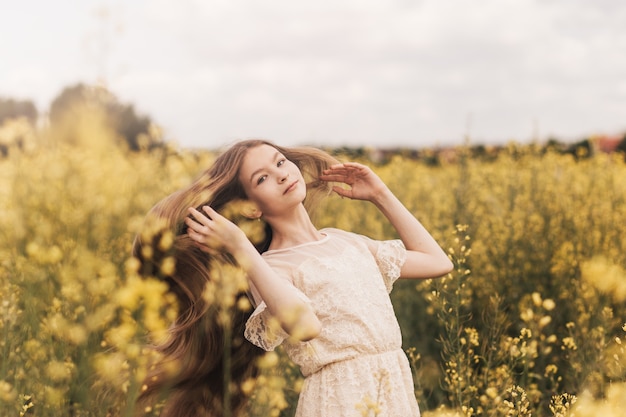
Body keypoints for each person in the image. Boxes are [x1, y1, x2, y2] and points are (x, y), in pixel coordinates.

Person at [134, 139, 453, 417]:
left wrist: (380, 194)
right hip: (341, 399)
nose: (282, 174)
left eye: (281, 162)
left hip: (392, 386)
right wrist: (241, 248)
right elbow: (306, 327)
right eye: (262, 179)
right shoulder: (269, 267)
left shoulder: (345, 240)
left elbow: (437, 262)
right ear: (251, 208)